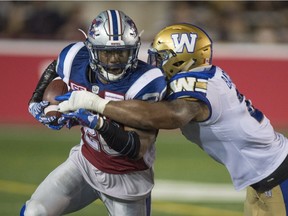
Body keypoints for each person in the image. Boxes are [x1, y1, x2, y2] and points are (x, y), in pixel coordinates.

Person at [58, 23, 288, 216]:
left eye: (161, 57)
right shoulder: (205, 74)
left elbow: (172, 115)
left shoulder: (193, 83)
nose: (154, 62)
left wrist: (97, 104)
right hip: (265, 177)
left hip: (277, 178)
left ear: (180, 58)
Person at [21, 10, 166, 216]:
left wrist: (97, 122)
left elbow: (136, 148)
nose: (114, 60)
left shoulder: (145, 82)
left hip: (127, 179)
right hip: (85, 163)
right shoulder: (76, 57)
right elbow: (57, 66)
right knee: (34, 211)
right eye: (107, 53)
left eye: (122, 52)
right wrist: (36, 101)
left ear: (134, 50)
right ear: (91, 50)